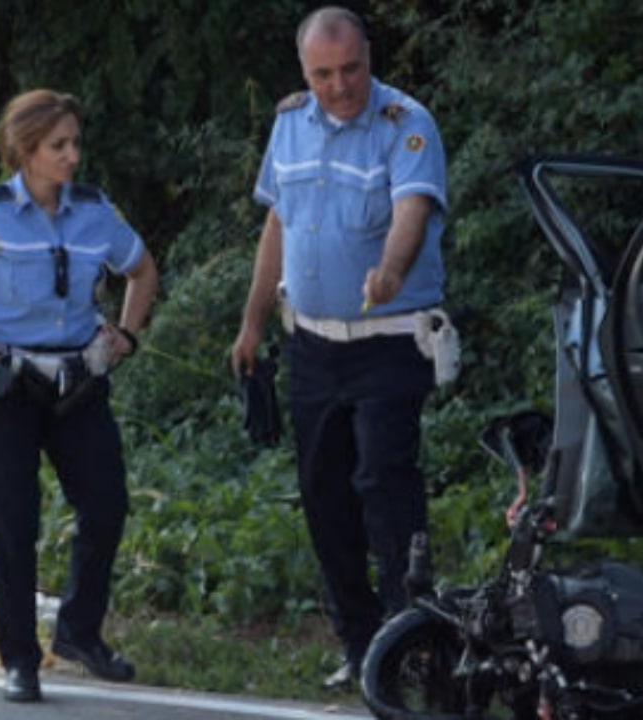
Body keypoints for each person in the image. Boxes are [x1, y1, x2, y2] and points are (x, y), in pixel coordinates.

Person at [230, 6, 447, 690]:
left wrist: (389, 268)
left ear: (368, 57)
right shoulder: (290, 122)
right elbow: (277, 223)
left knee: (384, 489)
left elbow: (412, 210)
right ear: (304, 72)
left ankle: (410, 644)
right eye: (323, 74)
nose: (340, 86)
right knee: (324, 497)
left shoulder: (405, 123)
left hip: (389, 343)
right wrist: (252, 322)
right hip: (313, 347)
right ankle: (358, 646)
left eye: (351, 68)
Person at [0, 89, 158, 703]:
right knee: (13, 526)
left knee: (107, 504)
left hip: (78, 382)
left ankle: (80, 632)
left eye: (75, 142)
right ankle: (21, 661)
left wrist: (126, 334)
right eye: (59, 146)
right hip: (6, 386)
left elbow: (142, 269)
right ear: (25, 150)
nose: (72, 156)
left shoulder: (94, 211)